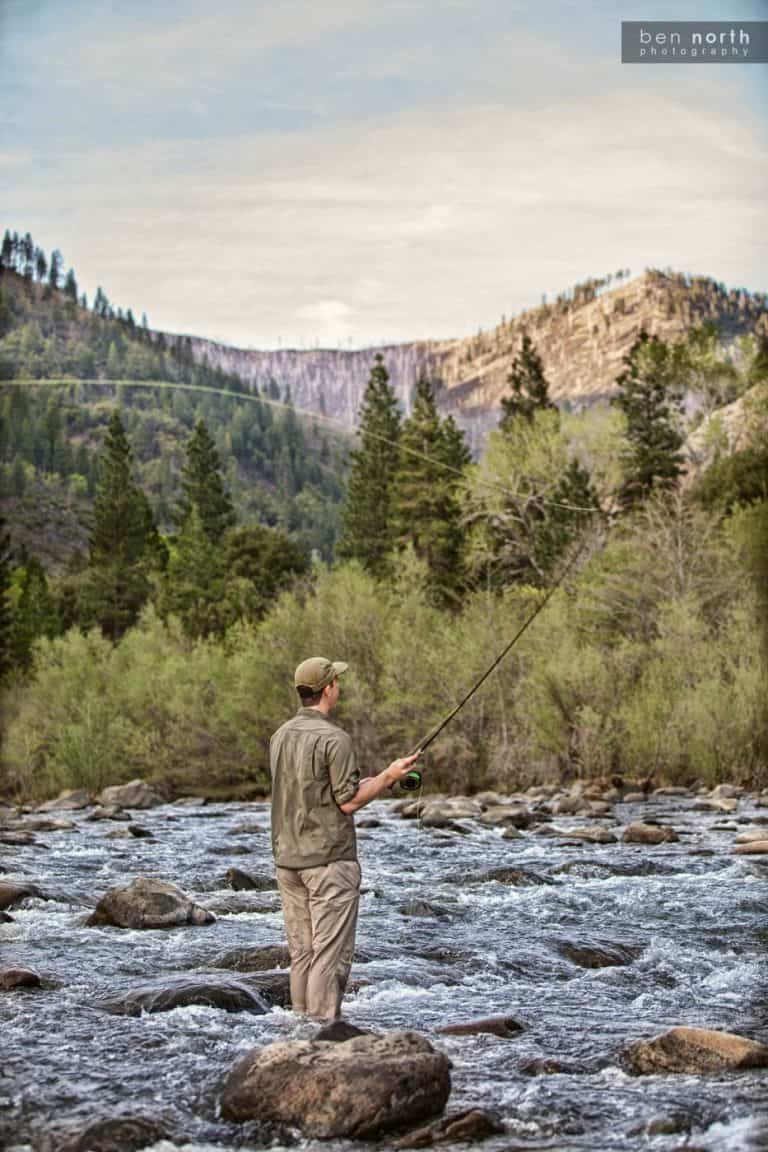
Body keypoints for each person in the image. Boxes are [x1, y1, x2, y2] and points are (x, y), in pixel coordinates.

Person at [269, 656, 420, 1023]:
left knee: (302, 953)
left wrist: (384, 775)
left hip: (288, 862)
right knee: (328, 954)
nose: (340, 686)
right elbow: (348, 801)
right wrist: (386, 778)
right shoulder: (335, 739)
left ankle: (300, 1030)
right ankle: (322, 1031)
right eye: (337, 681)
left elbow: (321, 790)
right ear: (329, 689)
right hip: (328, 863)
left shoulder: (280, 736)